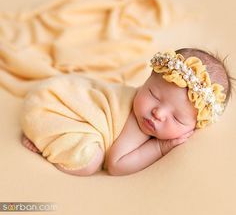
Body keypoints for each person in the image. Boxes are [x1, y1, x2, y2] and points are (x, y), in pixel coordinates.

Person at [21, 48, 234, 176]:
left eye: (177, 118)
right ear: (147, 80)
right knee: (89, 162)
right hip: (57, 106)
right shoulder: (138, 122)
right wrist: (160, 147)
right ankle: (43, 143)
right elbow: (116, 164)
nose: (158, 113)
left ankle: (44, 131)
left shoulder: (150, 114)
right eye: (153, 94)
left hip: (53, 94)